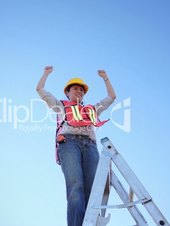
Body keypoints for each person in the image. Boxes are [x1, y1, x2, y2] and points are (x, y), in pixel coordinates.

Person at [36, 65, 116, 226]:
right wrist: (46, 74)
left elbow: (111, 97)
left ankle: (90, 222)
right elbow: (40, 89)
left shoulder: (92, 110)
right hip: (69, 144)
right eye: (74, 89)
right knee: (75, 187)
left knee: (92, 190)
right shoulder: (61, 105)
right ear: (67, 92)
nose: (78, 91)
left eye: (81, 89)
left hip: (90, 146)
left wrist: (105, 78)